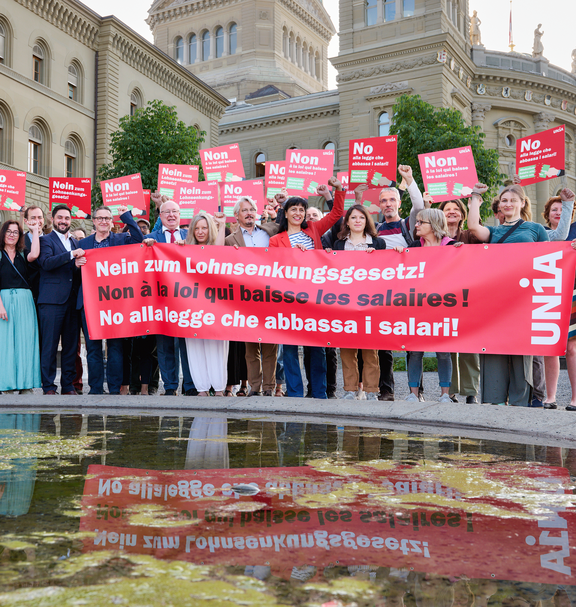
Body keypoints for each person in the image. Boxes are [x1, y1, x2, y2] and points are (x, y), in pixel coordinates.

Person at [468, 183, 549, 407]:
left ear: (522, 203)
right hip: (497, 302)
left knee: (521, 351)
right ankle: (494, 400)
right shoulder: (494, 231)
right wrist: (475, 195)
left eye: (513, 200)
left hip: (524, 302)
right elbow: (473, 225)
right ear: (500, 205)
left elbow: (550, 259)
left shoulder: (536, 229)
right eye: (504, 200)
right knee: (495, 348)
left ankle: (522, 400)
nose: (508, 204)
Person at [269, 177, 344, 398]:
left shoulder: (313, 228)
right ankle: (294, 392)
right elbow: (275, 269)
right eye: (294, 209)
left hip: (315, 298)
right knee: (291, 349)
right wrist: (294, 257)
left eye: (301, 209)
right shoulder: (276, 240)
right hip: (289, 299)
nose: (298, 213)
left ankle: (319, 392)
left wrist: (336, 189)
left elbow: (337, 214)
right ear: (286, 212)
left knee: (317, 347)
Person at [355, 165, 424, 401]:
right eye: (383, 200)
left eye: (392, 199)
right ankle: (387, 389)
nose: (387, 204)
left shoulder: (408, 224)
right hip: (381, 294)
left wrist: (409, 179)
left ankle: (417, 391)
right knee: (383, 342)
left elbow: (420, 206)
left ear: (399, 203)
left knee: (413, 343)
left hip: (407, 292)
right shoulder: (373, 230)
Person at [74, 205, 143, 395]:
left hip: (115, 303)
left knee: (115, 348)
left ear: (112, 222)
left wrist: (126, 216)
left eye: (107, 218)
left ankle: (114, 389)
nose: (103, 221)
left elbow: (139, 239)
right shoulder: (83, 243)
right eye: (100, 218)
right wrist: (76, 263)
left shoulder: (121, 239)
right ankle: (95, 388)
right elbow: (73, 268)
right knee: (93, 348)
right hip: (89, 303)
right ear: (94, 221)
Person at [394, 208, 460, 403]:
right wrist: (400, 254)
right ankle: (413, 394)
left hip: (444, 307)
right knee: (414, 350)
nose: (416, 225)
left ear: (434, 225)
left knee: (444, 351)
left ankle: (445, 394)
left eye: (420, 222)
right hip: (418, 308)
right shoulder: (413, 247)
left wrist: (465, 253)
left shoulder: (453, 247)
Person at [225, 196, 279, 396]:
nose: (249, 213)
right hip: (246, 300)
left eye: (252, 209)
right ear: (236, 215)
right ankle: (254, 388)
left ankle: (268, 388)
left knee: (270, 347)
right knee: (250, 348)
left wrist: (278, 209)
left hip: (271, 296)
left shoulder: (270, 232)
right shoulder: (230, 241)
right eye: (244, 210)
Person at [333, 205, 385, 401]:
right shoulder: (339, 244)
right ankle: (349, 389)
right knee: (347, 350)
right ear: (347, 221)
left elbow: (388, 270)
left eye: (361, 218)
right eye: (353, 217)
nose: (357, 221)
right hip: (345, 303)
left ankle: (371, 391)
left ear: (367, 221)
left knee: (370, 350)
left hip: (370, 303)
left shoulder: (378, 243)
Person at [146, 200, 196, 396]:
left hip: (187, 300)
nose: (171, 215)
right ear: (160, 216)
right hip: (161, 301)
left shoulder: (190, 237)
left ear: (180, 214)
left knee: (188, 345)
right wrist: (146, 247)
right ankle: (170, 386)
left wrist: (189, 248)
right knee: (165, 346)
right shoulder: (151, 238)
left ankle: (191, 386)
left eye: (175, 211)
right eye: (167, 212)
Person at [37, 205, 85, 395]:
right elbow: (47, 263)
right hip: (51, 301)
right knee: (49, 345)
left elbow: (72, 271)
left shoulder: (74, 242)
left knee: (71, 347)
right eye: (60, 218)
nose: (64, 221)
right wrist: (71, 256)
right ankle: (48, 387)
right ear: (53, 219)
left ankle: (68, 386)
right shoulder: (45, 240)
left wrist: (78, 266)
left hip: (72, 302)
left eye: (67, 218)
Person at [438, 197, 482, 404]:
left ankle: (471, 390)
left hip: (467, 298)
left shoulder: (470, 235)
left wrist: (475, 200)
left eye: (456, 209)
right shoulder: (435, 237)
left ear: (463, 215)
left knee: (469, 346)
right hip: (442, 299)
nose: (452, 212)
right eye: (447, 209)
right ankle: (451, 390)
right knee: (448, 346)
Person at [181, 211, 227, 396]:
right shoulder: (183, 249)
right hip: (190, 306)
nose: (200, 232)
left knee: (216, 346)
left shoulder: (216, 248)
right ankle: (201, 389)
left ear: (211, 229)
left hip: (215, 306)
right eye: (197, 228)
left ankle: (219, 389)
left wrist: (222, 224)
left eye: (204, 228)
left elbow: (218, 249)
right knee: (194, 346)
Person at [541, 189, 576, 410]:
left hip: (572, 291)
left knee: (572, 347)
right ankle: (550, 396)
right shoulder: (541, 233)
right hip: (548, 291)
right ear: (547, 213)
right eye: (554, 209)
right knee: (550, 346)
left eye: (562, 208)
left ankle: (575, 399)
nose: (558, 212)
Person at [0, 221, 41, 393]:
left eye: (16, 232)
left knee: (26, 343)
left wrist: (36, 231)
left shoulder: (23, 253)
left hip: (25, 301)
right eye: (8, 231)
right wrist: (0, 305)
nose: (12, 235)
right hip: (4, 300)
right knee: (5, 344)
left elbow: (35, 254)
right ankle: (6, 385)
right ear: (3, 234)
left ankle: (25, 384)